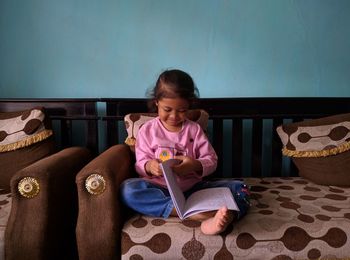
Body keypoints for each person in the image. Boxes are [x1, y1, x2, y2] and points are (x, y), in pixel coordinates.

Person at [120, 69, 250, 235]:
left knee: (241, 188)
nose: (174, 116)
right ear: (157, 102)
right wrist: (149, 166)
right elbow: (140, 164)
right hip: (161, 190)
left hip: (194, 189)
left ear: (189, 105)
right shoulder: (147, 130)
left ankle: (225, 218)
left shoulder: (194, 130)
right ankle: (195, 214)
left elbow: (211, 160)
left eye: (182, 110)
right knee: (128, 190)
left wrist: (194, 165)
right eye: (167, 109)